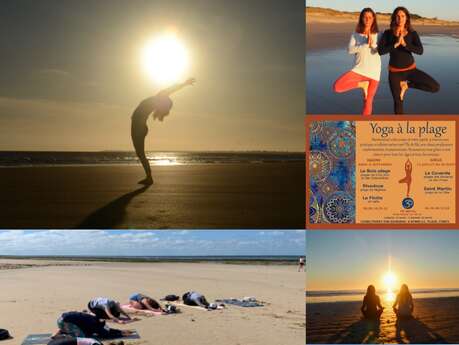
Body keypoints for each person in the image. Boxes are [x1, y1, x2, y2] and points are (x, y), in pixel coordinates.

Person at [131, 78, 196, 185]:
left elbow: (172, 88)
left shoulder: (159, 97)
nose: (165, 93)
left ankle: (149, 177)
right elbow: (172, 89)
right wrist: (185, 84)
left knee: (140, 153)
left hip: (138, 127)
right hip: (139, 127)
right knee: (140, 153)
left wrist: (184, 84)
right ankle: (148, 177)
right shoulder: (157, 100)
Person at [378, 7, 440, 114]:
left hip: (411, 70)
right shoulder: (387, 33)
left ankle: (407, 85)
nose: (400, 18)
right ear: (394, 18)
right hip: (394, 73)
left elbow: (420, 51)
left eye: (403, 16)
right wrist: (395, 44)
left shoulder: (412, 33)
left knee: (435, 87)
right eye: (398, 16)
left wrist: (405, 44)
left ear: (407, 18)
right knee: (398, 102)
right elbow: (381, 51)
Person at [333, 8, 381, 115]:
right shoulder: (355, 34)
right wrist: (363, 44)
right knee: (337, 87)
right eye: (365, 17)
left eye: (370, 17)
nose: (368, 19)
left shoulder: (379, 34)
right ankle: (362, 85)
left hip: (374, 73)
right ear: (362, 19)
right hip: (359, 70)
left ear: (373, 19)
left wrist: (372, 44)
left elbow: (380, 51)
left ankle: (364, 127)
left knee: (368, 102)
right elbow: (350, 50)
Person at [53, 311, 134, 340]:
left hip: (61, 320)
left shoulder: (93, 318)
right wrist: (121, 334)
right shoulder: (94, 324)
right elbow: (105, 334)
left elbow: (106, 330)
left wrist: (120, 331)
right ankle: (64, 336)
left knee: (86, 332)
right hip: (66, 322)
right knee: (82, 339)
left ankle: (59, 332)